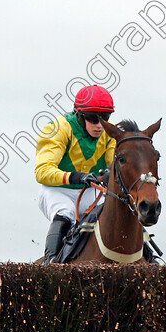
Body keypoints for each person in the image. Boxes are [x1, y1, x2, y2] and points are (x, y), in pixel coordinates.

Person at [34, 85, 116, 263]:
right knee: (66, 212)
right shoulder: (58, 129)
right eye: (93, 118)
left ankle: (149, 257)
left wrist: (113, 173)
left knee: (116, 210)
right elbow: (42, 172)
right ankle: (51, 263)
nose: (99, 125)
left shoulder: (110, 133)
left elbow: (114, 164)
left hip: (89, 191)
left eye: (105, 118)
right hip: (57, 190)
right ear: (79, 114)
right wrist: (77, 176)